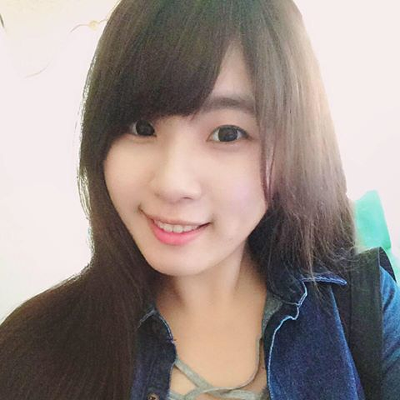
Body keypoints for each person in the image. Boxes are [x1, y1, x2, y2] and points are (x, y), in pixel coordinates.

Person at [0, 1, 399, 399]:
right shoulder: (28, 355)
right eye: (142, 127)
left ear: (292, 150)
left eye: (228, 133)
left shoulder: (365, 309)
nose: (172, 183)